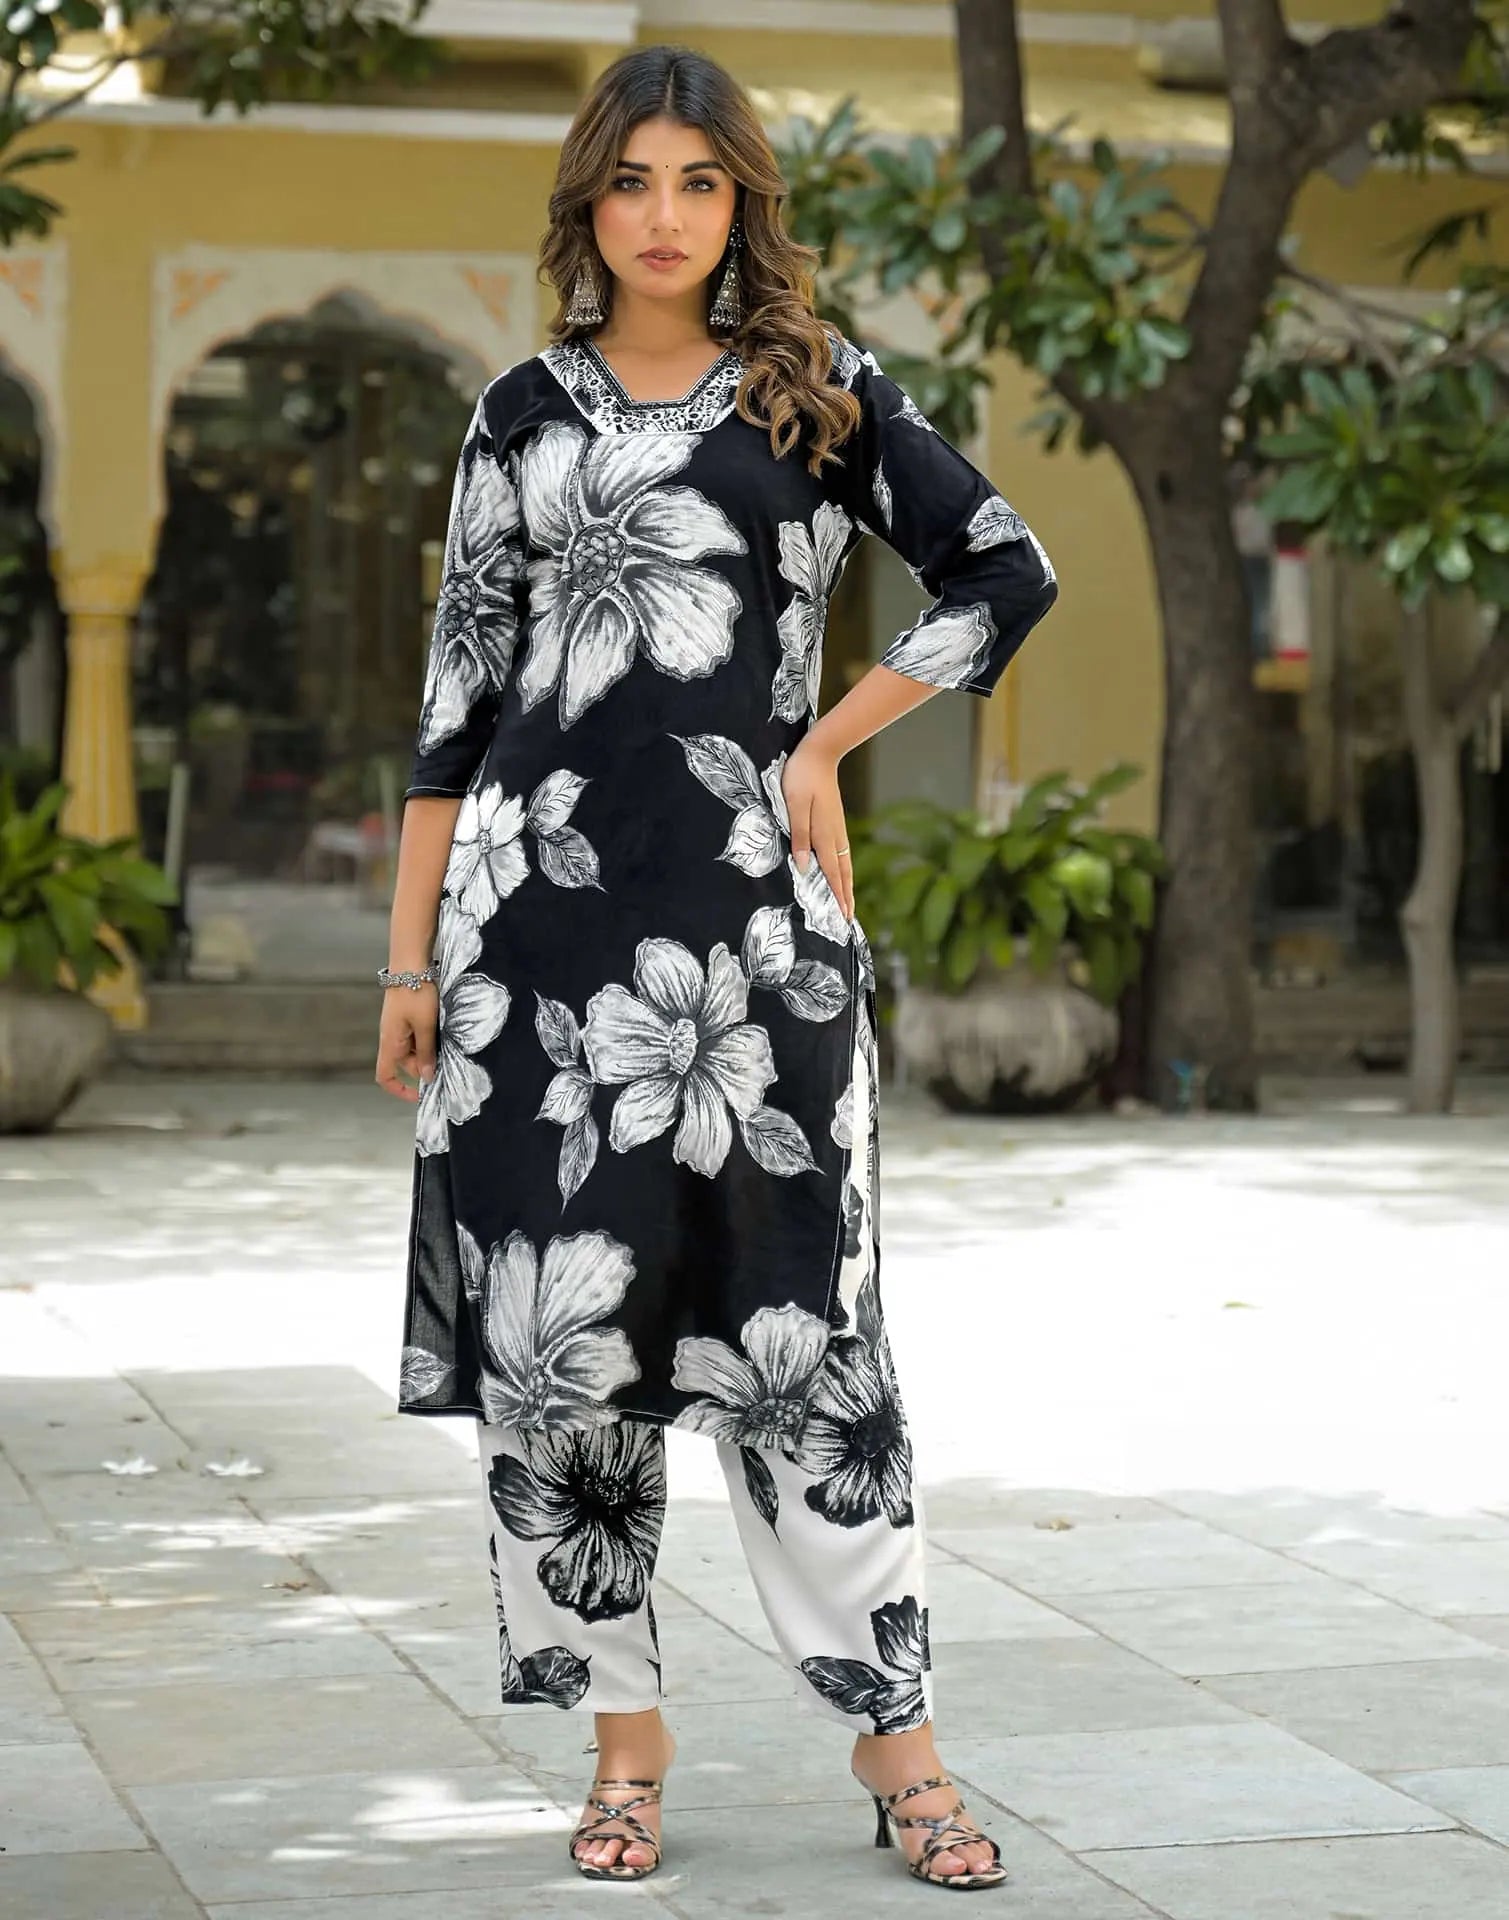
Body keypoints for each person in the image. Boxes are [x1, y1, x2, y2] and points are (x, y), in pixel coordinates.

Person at [375, 42, 1058, 1892]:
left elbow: (1002, 569)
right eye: (630, 181)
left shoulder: (818, 394)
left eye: (698, 181)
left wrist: (828, 739)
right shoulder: (520, 416)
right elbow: (456, 704)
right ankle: (626, 1747)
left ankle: (899, 1749)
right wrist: (409, 963)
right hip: (528, 946)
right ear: (586, 204)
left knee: (801, 1339)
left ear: (743, 201)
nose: (663, 216)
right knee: (560, 1347)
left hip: (760, 949)